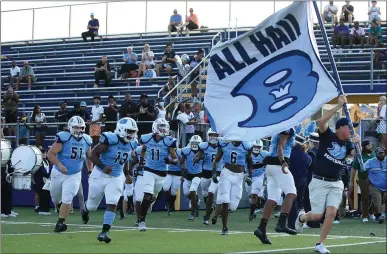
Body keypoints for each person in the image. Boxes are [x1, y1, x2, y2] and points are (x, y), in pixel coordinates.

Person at [296, 95, 360, 254]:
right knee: (317, 216)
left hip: (336, 182)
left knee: (331, 212)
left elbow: (354, 154)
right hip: (319, 181)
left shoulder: (348, 143)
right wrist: (338, 106)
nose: (352, 129)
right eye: (350, 126)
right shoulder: (328, 135)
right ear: (341, 128)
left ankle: (320, 243)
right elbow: (321, 122)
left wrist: (358, 144)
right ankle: (302, 218)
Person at [81, 117, 138, 243]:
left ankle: (104, 231)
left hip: (116, 177)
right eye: (129, 131)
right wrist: (102, 166)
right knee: (92, 206)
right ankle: (84, 209)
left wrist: (127, 173)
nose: (131, 134)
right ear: (121, 129)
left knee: (112, 202)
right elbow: (92, 155)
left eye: (133, 131)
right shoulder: (110, 139)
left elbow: (126, 160)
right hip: (100, 175)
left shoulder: (132, 143)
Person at [47, 116, 93, 233]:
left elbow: (89, 157)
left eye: (81, 128)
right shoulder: (64, 138)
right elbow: (50, 154)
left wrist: (90, 171)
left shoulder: (87, 140)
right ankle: (59, 207)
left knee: (68, 197)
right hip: (58, 172)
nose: (79, 130)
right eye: (76, 128)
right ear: (70, 127)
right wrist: (60, 165)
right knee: (56, 198)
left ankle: (60, 223)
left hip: (74, 174)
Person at [254, 127, 298, 244]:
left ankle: (261, 228)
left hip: (270, 166)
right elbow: (280, 146)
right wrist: (283, 162)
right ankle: (282, 223)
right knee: (291, 193)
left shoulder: (281, 125)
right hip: (278, 164)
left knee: (273, 199)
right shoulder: (288, 127)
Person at [137, 118, 178, 232]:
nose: (163, 129)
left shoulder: (169, 141)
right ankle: (142, 221)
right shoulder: (147, 138)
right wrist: (141, 162)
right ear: (155, 127)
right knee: (147, 195)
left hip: (161, 173)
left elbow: (176, 159)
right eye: (161, 126)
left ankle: (148, 206)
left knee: (153, 196)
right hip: (149, 170)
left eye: (164, 126)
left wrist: (169, 160)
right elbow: (144, 149)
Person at [212, 138, 253, 235]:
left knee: (233, 206)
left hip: (239, 176)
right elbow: (217, 159)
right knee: (225, 199)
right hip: (226, 173)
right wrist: (214, 173)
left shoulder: (247, 145)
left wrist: (249, 176)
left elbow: (249, 162)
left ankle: (217, 212)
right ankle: (224, 228)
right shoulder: (224, 143)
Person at [194, 129, 221, 225]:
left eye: (216, 135)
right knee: (205, 195)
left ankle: (207, 215)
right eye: (211, 135)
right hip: (205, 173)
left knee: (211, 193)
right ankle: (210, 209)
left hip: (217, 173)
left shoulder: (222, 145)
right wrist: (197, 158)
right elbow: (196, 157)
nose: (213, 137)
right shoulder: (203, 146)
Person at [287, 135, 312, 231]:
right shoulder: (306, 156)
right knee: (299, 202)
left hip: (292, 180)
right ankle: (300, 220)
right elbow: (309, 164)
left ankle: (291, 224)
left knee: (292, 202)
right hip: (303, 181)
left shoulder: (290, 153)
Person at [350, 140, 375, 222]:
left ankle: (371, 213)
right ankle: (365, 215)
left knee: (374, 196)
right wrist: (351, 181)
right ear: (364, 147)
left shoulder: (374, 154)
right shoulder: (360, 156)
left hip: (374, 179)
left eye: (371, 145)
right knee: (365, 197)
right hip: (363, 179)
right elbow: (354, 169)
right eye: (368, 145)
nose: (370, 146)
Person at [181, 135, 203, 220]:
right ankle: (196, 202)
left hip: (197, 174)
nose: (194, 145)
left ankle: (192, 213)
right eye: (193, 143)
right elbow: (182, 162)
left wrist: (199, 157)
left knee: (193, 190)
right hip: (188, 175)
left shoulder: (202, 151)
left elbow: (204, 157)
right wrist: (182, 170)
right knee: (186, 193)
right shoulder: (186, 150)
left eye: (196, 143)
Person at [247, 140, 269, 222]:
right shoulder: (248, 153)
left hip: (259, 176)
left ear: (261, 147)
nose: (256, 148)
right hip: (249, 176)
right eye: (255, 146)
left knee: (254, 194)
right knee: (250, 194)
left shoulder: (265, 154)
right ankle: (253, 209)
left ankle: (251, 213)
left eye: (258, 147)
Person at [363, 147, 386, 224]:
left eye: (382, 152)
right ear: (376, 154)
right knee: (378, 199)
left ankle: (371, 211)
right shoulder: (370, 161)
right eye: (379, 153)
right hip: (374, 184)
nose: (381, 154)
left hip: (385, 185)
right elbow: (363, 168)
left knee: (383, 200)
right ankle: (380, 216)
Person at [303, 133, 321, 229]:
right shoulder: (322, 151)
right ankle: (318, 221)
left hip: (311, 179)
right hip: (319, 178)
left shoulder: (311, 152)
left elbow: (308, 166)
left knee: (307, 201)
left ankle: (311, 222)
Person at [32, 147, 52, 215]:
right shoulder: (39, 162)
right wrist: (49, 175)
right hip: (40, 180)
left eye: (45, 153)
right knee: (41, 194)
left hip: (46, 181)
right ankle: (40, 208)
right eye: (44, 153)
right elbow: (42, 171)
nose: (45, 154)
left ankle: (45, 209)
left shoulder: (46, 161)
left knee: (46, 195)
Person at [163, 147, 182, 216]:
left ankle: (171, 206)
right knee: (165, 188)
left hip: (178, 174)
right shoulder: (166, 152)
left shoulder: (179, 152)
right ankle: (168, 202)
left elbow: (182, 161)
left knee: (174, 192)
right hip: (169, 173)